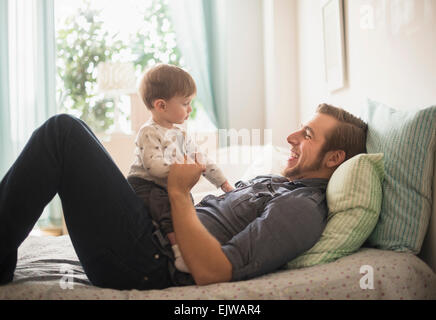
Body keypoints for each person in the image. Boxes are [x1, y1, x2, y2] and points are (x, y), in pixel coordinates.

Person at [0, 102, 367, 290]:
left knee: (62, 133)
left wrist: (178, 193)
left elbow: (215, 271)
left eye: (307, 135)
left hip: (147, 262)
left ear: (334, 158)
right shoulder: (282, 184)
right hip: (148, 235)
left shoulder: (302, 208)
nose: (291, 137)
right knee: (72, 130)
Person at [126, 64, 233, 274]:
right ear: (161, 105)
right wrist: (182, 172)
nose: (190, 109)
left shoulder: (181, 135)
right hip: (145, 185)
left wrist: (224, 183)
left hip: (169, 184)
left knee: (187, 203)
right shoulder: (148, 132)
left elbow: (202, 160)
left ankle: (186, 242)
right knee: (165, 209)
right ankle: (179, 251)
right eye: (185, 103)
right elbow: (154, 166)